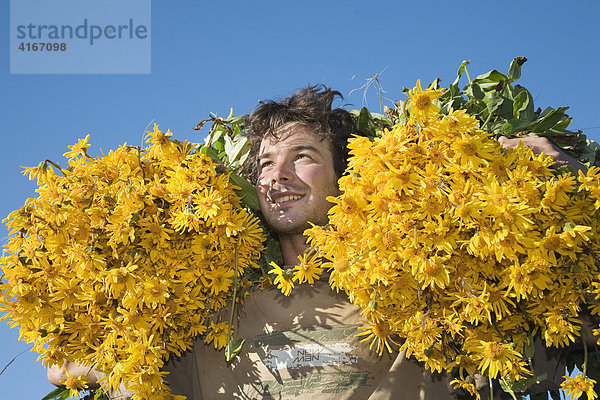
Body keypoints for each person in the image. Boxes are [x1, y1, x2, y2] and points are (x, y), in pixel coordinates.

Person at [48, 86, 589, 399]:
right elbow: (79, 364)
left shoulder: (422, 306)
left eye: (301, 156)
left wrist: (557, 189)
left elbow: (568, 328)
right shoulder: (213, 317)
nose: (276, 176)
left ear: (349, 176)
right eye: (263, 164)